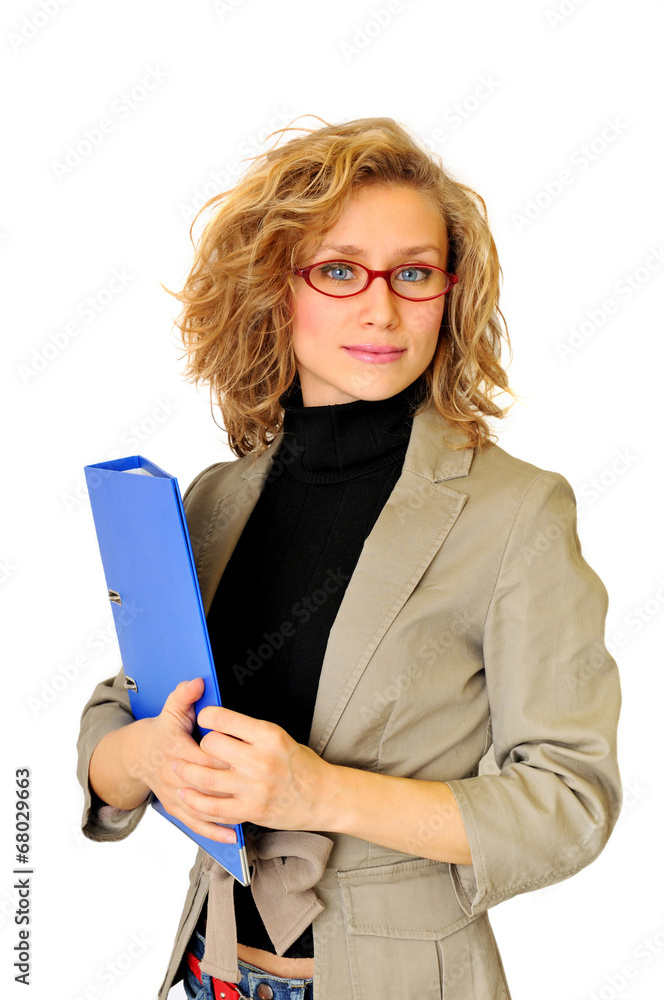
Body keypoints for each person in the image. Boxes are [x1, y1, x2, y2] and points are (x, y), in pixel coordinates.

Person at [76, 116, 622, 1000]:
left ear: (450, 293)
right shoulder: (217, 498)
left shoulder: (517, 511)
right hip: (207, 973)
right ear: (273, 290)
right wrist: (143, 758)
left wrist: (321, 793)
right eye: (338, 271)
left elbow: (570, 803)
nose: (380, 308)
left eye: (413, 273)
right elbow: (123, 706)